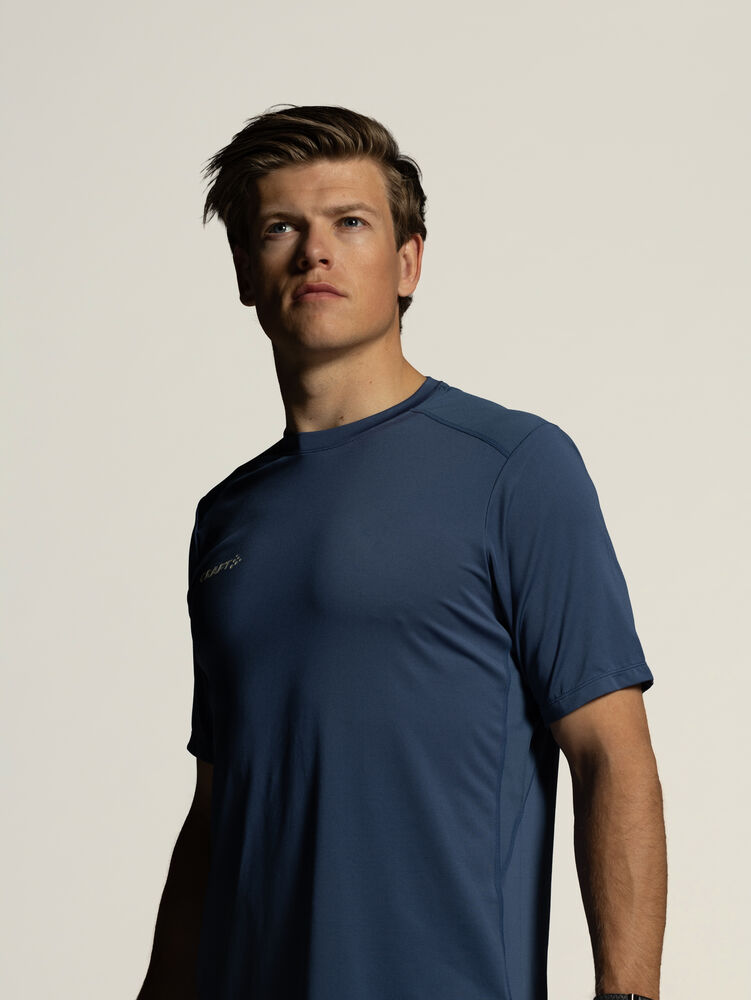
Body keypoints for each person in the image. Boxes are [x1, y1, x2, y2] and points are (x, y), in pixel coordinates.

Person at [136, 105, 667, 1000]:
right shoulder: (225, 519)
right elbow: (217, 811)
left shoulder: (514, 468)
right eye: (280, 228)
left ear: (408, 261)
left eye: (350, 222)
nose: (315, 252)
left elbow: (612, 756)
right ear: (243, 271)